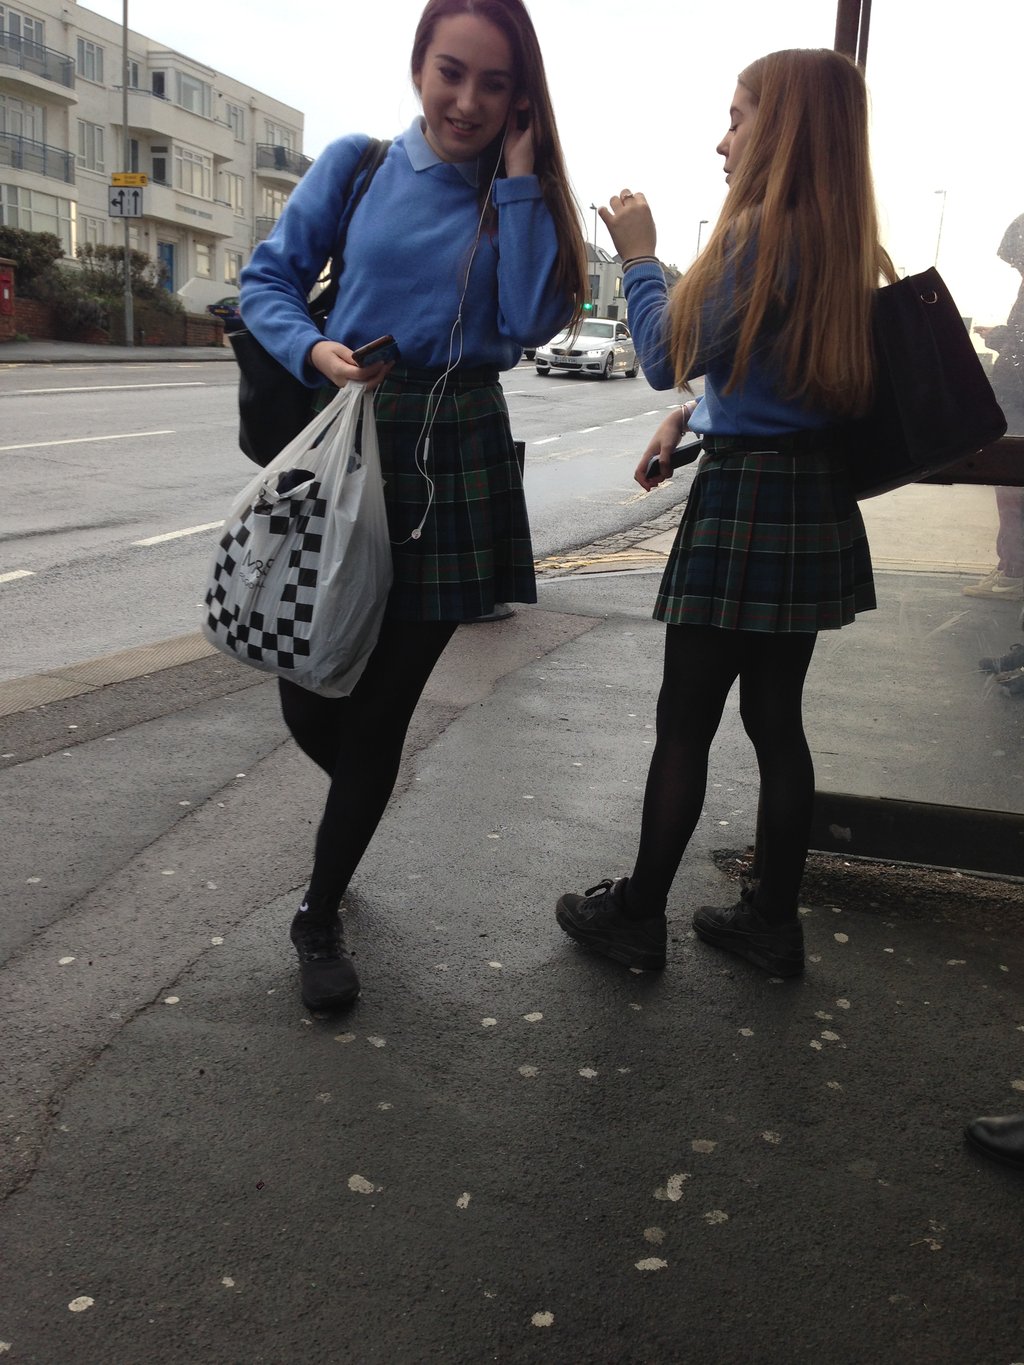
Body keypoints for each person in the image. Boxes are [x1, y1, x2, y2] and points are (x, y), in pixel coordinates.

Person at [240, 0, 587, 1011]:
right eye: (450, 71)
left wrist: (521, 180)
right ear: (417, 65)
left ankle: (318, 910)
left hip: (460, 452)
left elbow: (526, 321)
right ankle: (358, 805)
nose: (465, 101)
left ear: (521, 96)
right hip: (346, 438)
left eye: (493, 83)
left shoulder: (522, 198)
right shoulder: (355, 164)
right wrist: (309, 346)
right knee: (307, 681)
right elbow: (269, 279)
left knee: (383, 707)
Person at [555, 48, 893, 978]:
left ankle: (636, 916)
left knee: (684, 722)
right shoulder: (846, 248)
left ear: (780, 129)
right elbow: (773, 382)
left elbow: (663, 348)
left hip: (747, 502)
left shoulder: (757, 239)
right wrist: (691, 416)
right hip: (808, 499)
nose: (723, 136)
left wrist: (638, 254)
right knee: (777, 722)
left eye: (739, 115)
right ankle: (772, 924)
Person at [963, 212, 1024, 604]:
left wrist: (997, 335)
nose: (1017, 268)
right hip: (1016, 400)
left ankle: (1014, 571)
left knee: (1012, 492)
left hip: (1018, 403)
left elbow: (1021, 345)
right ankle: (1009, 565)